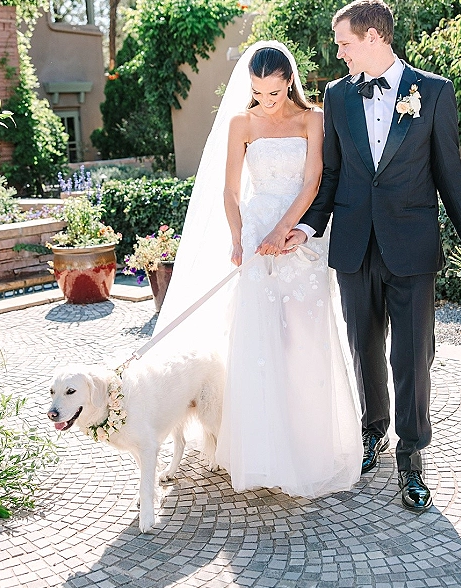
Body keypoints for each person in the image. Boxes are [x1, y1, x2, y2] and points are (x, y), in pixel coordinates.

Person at [286, 0, 461, 513]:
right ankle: (372, 431)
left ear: (374, 38)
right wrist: (307, 229)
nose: (339, 53)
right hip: (353, 246)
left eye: (344, 43)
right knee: (364, 349)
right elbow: (331, 177)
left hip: (412, 248)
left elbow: (449, 175)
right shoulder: (336, 96)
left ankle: (412, 458)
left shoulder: (434, 93)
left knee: (413, 355)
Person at [155, 41, 363, 498]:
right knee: (260, 343)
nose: (265, 102)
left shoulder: (312, 119)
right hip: (254, 241)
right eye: (257, 92)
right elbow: (230, 191)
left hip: (298, 240)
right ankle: (263, 453)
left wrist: (285, 231)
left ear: (289, 81)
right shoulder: (241, 123)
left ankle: (309, 450)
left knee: (304, 341)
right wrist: (238, 237)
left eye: (273, 93)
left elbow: (313, 182)